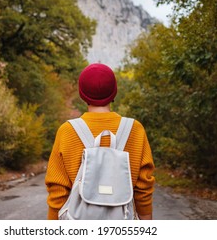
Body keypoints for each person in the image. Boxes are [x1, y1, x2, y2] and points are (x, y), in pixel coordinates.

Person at [45, 63, 155, 220]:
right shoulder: (135, 130)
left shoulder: (67, 131)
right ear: (114, 92)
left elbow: (57, 188)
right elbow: (144, 186)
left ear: (83, 95)